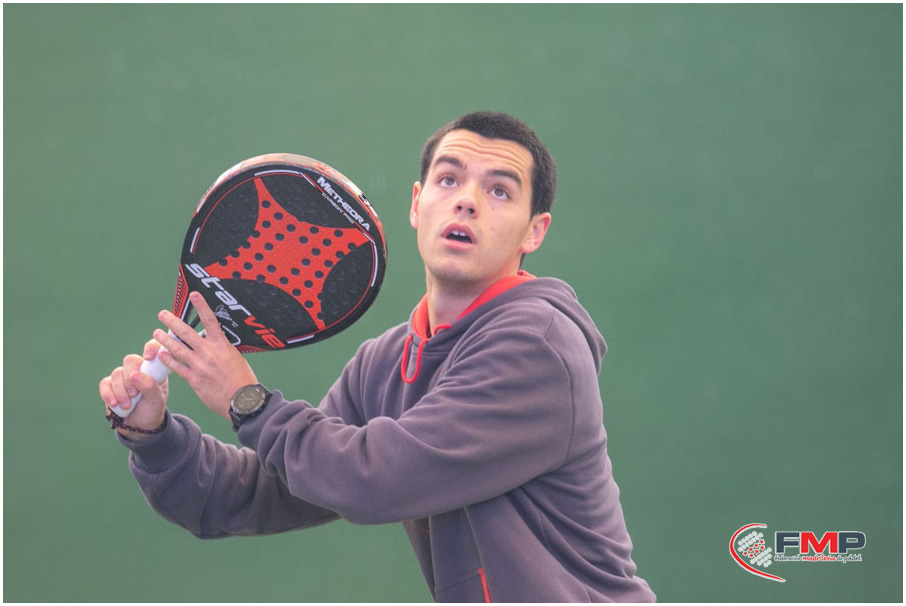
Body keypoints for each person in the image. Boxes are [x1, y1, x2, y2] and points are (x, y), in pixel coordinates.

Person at [99, 111, 657, 603]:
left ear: (535, 232)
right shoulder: (387, 361)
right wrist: (154, 437)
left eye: (500, 191)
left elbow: (376, 479)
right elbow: (267, 490)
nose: (467, 199)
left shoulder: (538, 346)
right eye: (448, 179)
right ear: (417, 204)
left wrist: (246, 401)